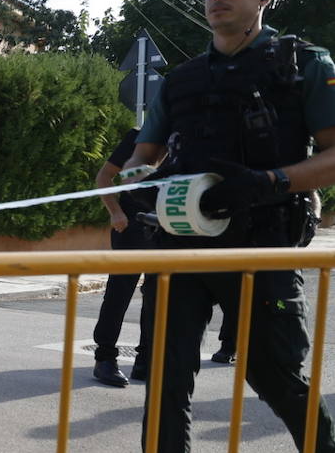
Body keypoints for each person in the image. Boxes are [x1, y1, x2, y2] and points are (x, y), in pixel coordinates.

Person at [106, 0, 335, 453]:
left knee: (275, 373)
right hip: (183, 249)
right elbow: (143, 155)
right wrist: (137, 181)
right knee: (165, 380)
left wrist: (271, 182)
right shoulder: (181, 79)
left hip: (263, 246)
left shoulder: (302, 65)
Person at [90, 128, 237, 387]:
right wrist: (115, 212)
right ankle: (104, 358)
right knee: (120, 290)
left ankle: (144, 360)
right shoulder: (138, 138)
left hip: (166, 229)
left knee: (155, 294)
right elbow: (104, 177)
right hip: (132, 226)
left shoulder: (186, 142)